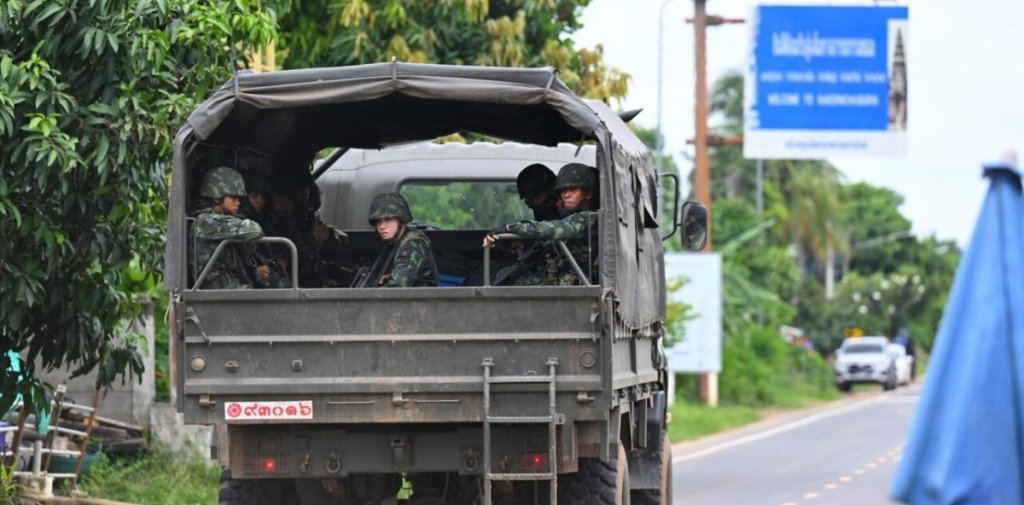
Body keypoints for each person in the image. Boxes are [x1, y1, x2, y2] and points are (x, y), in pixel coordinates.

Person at [484, 163, 599, 286]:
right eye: (563, 191)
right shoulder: (573, 218)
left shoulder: (589, 218)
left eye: (573, 190)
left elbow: (553, 228)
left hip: (577, 284)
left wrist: (508, 229)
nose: (566, 195)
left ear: (588, 194)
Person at [190, 166, 265, 289]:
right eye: (233, 197)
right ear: (217, 197)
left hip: (228, 287)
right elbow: (254, 230)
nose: (238, 202)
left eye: (239, 198)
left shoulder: (215, 220)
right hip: (219, 291)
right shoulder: (206, 221)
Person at [365, 192, 439, 287]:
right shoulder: (397, 242)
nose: (382, 226)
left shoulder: (412, 245)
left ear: (401, 220)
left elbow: (398, 286)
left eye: (388, 220)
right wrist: (390, 276)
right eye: (379, 222)